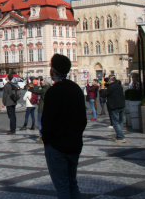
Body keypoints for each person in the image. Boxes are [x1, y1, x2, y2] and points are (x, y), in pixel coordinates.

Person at [41, 54, 87, 198]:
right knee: (72, 183)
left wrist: (47, 140)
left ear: (53, 70)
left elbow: (47, 121)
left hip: (57, 146)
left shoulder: (53, 92)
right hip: (75, 144)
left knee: (62, 187)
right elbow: (83, 119)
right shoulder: (76, 89)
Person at [100, 76, 126, 143]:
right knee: (120, 122)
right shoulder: (119, 86)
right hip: (122, 105)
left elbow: (103, 95)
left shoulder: (110, 87)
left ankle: (121, 137)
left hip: (114, 106)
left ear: (111, 80)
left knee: (115, 123)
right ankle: (119, 136)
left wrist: (102, 88)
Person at [34, 78, 52, 143]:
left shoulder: (44, 89)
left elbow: (36, 91)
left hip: (42, 108)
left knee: (40, 122)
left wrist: (38, 85)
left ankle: (42, 137)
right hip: (49, 109)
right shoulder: (51, 89)